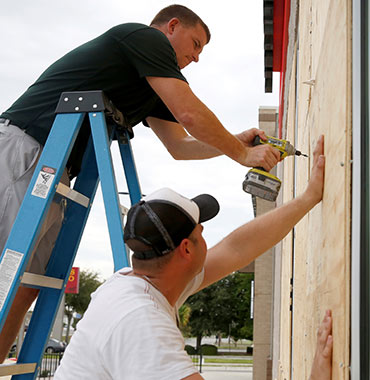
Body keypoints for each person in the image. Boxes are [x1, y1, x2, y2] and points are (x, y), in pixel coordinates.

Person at [0, 4, 282, 359]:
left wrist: (235, 141)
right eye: (195, 44)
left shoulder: (147, 83)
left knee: (26, 286)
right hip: (25, 149)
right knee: (4, 273)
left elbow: (179, 145)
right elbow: (190, 113)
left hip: (56, 172)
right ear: (172, 27)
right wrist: (242, 156)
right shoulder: (144, 38)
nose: (195, 58)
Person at [54, 137, 332, 380]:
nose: (206, 235)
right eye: (201, 231)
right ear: (186, 249)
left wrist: (309, 197)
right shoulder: (142, 323)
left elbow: (237, 248)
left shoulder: (132, 285)